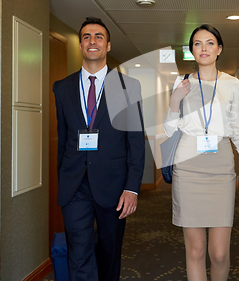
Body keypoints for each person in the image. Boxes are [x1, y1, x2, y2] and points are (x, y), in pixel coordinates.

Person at [163, 24, 239, 281]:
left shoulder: (232, 84)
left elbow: (238, 129)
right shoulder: (182, 82)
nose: (204, 48)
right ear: (192, 51)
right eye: (197, 44)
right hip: (188, 167)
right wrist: (175, 100)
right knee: (196, 250)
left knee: (219, 253)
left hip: (221, 167)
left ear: (219, 49)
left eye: (210, 43)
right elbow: (168, 129)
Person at [53, 17, 145, 281]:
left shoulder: (126, 87)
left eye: (98, 37)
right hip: (75, 186)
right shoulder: (62, 88)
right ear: (81, 45)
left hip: (114, 186)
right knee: (78, 253)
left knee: (109, 253)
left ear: (108, 46)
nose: (92, 41)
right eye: (86, 37)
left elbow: (135, 142)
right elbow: (64, 138)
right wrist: (63, 180)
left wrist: (132, 187)